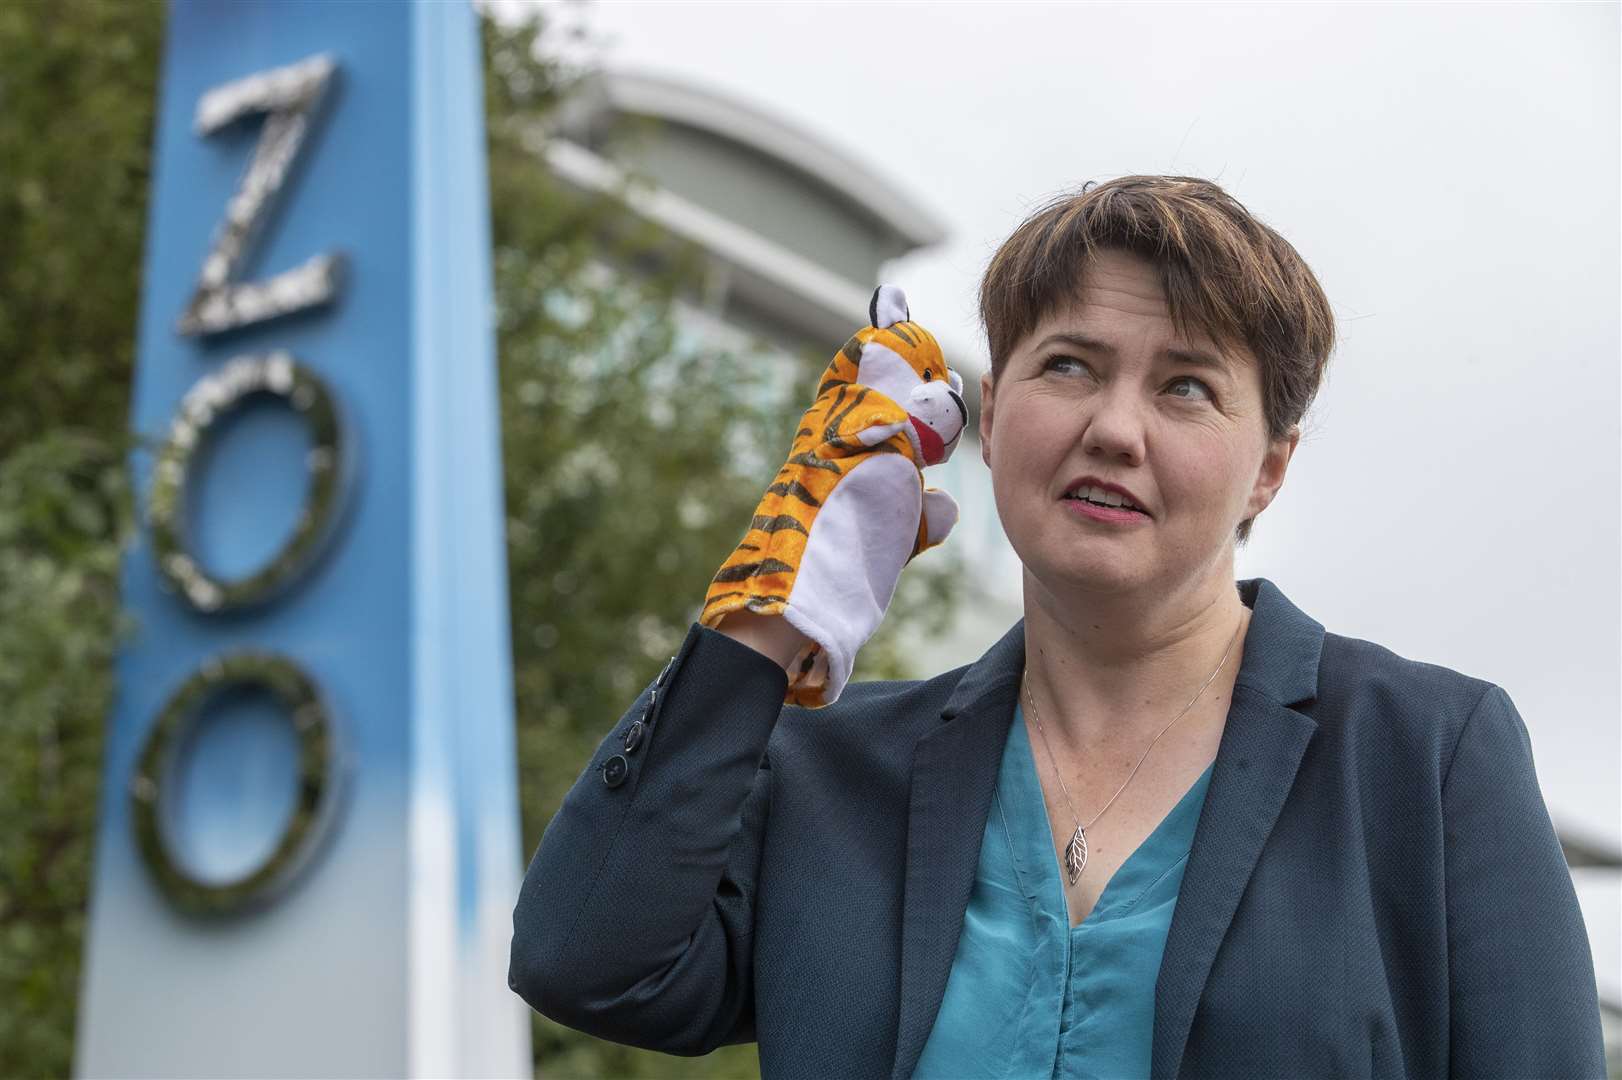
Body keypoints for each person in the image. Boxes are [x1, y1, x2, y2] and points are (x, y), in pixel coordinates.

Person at [508, 175, 1607, 1079]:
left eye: (1184, 388)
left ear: (1267, 469)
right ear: (993, 416)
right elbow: (585, 962)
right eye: (1067, 365)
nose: (1112, 428)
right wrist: (765, 615)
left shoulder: (1422, 755)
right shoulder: (835, 773)